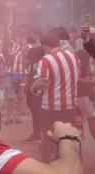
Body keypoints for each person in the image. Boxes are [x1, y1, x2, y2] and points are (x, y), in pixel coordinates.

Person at [31, 28, 80, 162]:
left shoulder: (46, 60)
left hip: (50, 107)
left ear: (45, 45)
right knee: (66, 137)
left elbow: (41, 81)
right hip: (70, 105)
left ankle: (48, 166)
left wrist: (33, 89)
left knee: (48, 137)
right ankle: (66, 163)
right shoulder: (73, 56)